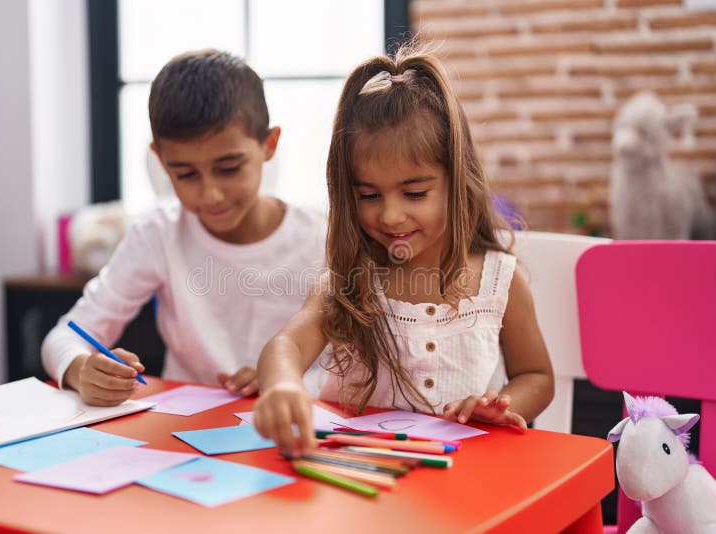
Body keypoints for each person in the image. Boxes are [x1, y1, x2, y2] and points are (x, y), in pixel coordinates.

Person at [253, 44, 554, 456]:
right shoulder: (347, 284)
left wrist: (499, 406)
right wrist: (284, 384)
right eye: (370, 195)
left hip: (457, 486)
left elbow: (536, 375)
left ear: (457, 182)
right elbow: (284, 346)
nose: (391, 216)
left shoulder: (498, 280)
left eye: (414, 193)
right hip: (357, 478)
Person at [42, 49, 326, 406]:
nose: (211, 194)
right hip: (180, 432)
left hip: (288, 424)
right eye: (185, 174)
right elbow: (62, 337)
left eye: (229, 168)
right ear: (161, 161)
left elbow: (354, 366)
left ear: (268, 145)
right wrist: (80, 368)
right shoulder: (158, 233)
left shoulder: (319, 242)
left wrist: (287, 376)